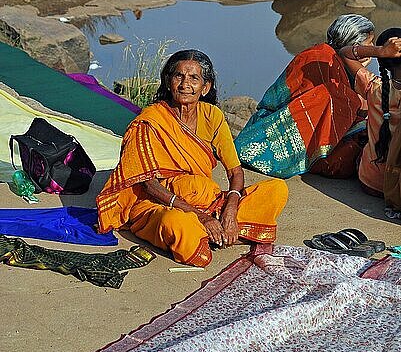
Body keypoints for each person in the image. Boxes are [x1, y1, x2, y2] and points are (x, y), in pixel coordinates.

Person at [97, 50, 288, 267]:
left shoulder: (212, 115)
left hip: (210, 202)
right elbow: (149, 185)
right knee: (176, 223)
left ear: (205, 88)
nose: (185, 84)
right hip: (161, 205)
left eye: (194, 78)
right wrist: (201, 217)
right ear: (168, 82)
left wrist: (231, 209)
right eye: (178, 76)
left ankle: (219, 229)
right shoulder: (150, 122)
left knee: (276, 189)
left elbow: (235, 171)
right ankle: (216, 232)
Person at [235, 14, 375, 180]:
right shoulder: (320, 58)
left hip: (310, 127)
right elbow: (342, 104)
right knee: (341, 100)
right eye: (369, 44)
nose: (372, 48)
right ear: (354, 44)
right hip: (275, 123)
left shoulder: (339, 63)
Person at [338, 28, 401, 207]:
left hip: (370, 182)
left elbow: (345, 53)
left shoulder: (374, 87)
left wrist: (380, 51)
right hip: (397, 188)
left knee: (362, 130)